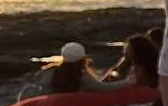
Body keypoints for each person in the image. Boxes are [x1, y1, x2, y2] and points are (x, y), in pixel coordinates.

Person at [19, 37, 158, 100]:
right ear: (82, 59)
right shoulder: (82, 78)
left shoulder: (49, 72)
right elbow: (104, 89)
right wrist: (127, 82)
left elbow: (40, 85)